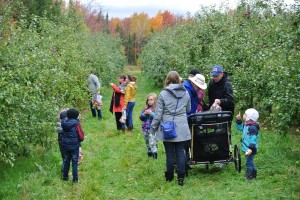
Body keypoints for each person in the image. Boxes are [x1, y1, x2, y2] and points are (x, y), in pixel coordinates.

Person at [150, 71, 191, 186]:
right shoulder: (186, 93)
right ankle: (181, 178)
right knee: (180, 152)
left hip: (168, 127)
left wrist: (153, 128)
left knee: (169, 153)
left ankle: (169, 177)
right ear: (179, 80)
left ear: (167, 80)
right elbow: (188, 109)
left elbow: (158, 114)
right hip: (182, 126)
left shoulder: (163, 94)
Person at [236, 108, 260, 181]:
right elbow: (239, 128)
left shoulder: (252, 128)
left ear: (249, 117)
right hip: (247, 148)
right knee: (250, 161)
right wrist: (239, 120)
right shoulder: (247, 125)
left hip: (250, 148)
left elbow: (253, 139)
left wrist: (250, 149)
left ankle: (248, 177)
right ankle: (254, 174)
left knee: (248, 163)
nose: (243, 115)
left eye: (245, 114)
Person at [61, 108, 85, 183]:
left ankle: (65, 177)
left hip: (66, 145)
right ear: (76, 116)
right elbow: (81, 135)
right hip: (74, 145)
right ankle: (75, 179)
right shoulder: (77, 124)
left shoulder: (63, 122)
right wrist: (79, 141)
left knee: (66, 160)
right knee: (75, 162)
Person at [139, 93, 158, 159]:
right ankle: (149, 154)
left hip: (153, 128)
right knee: (147, 142)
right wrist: (144, 114)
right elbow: (141, 118)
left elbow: (158, 118)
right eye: (148, 100)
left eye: (151, 100)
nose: (149, 101)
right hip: (145, 128)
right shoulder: (145, 108)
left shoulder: (157, 109)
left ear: (155, 100)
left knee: (152, 142)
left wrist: (151, 113)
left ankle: (155, 156)